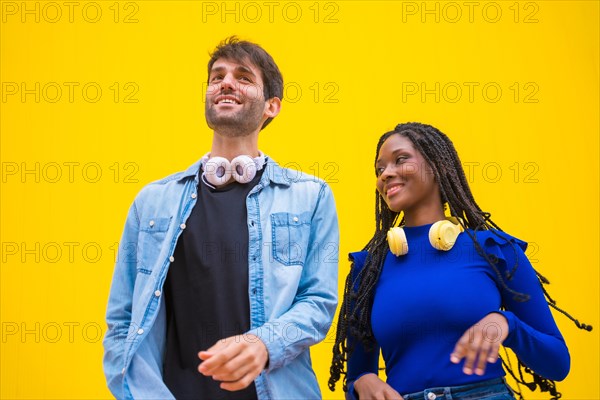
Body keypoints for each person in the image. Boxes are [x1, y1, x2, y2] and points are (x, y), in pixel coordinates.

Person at [102, 36, 339, 400]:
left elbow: (318, 303)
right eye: (217, 76)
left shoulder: (311, 196)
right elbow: (121, 324)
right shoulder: (151, 202)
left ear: (271, 106)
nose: (226, 82)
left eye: (244, 77)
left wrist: (264, 343)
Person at [329, 122, 591, 400]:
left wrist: (507, 325)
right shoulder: (367, 270)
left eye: (400, 160)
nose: (386, 174)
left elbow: (557, 364)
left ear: (438, 165)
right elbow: (357, 376)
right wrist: (362, 381)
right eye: (380, 169)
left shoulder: (496, 250)